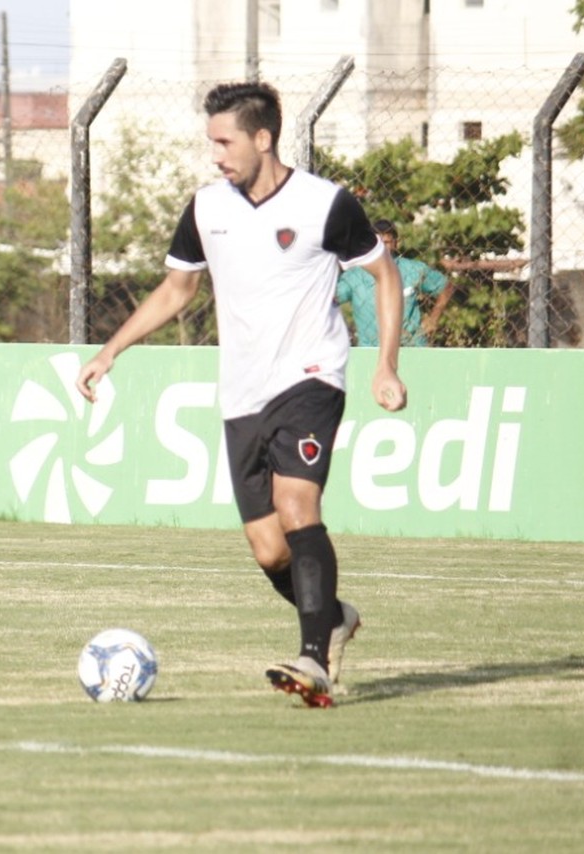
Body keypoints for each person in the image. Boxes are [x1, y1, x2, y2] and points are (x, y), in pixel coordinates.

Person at [75, 81, 407, 708]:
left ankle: (315, 661)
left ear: (263, 137)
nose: (216, 154)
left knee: (297, 506)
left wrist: (384, 365)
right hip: (242, 394)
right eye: (211, 142)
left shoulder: (325, 204)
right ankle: (332, 618)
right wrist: (110, 350)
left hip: (311, 377)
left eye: (225, 141)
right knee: (266, 546)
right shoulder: (207, 208)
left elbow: (383, 275)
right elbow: (178, 291)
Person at [336, 219, 450, 346]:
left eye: (386, 243)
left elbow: (446, 286)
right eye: (375, 244)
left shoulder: (413, 269)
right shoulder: (354, 276)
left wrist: (433, 319)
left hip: (411, 347)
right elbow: (331, 298)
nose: (380, 248)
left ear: (396, 243)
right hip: (371, 351)